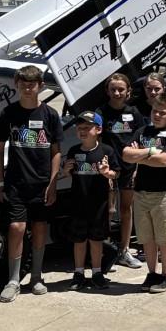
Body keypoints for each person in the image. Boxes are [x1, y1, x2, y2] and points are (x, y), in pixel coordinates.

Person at [0, 65, 62, 303]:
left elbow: (56, 152)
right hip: (16, 182)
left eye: (32, 84)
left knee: (40, 228)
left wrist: (53, 183)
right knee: (17, 228)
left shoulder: (50, 115)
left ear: (40, 86)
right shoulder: (9, 113)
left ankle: (36, 277)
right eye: (23, 84)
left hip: (42, 184)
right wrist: (0, 182)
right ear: (16, 84)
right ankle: (13, 280)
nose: (28, 88)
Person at [123, 94, 166, 293]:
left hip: (164, 193)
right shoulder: (142, 131)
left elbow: (165, 160)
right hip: (142, 192)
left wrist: (140, 154)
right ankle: (153, 272)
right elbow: (125, 155)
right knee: (146, 237)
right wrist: (151, 152)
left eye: (162, 112)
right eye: (154, 111)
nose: (157, 115)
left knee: (165, 237)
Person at [63, 110, 120, 291]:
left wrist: (107, 173)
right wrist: (65, 170)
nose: (83, 131)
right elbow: (69, 174)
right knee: (79, 240)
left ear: (99, 129)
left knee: (96, 239)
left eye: (87, 127)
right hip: (78, 202)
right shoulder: (74, 151)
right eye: (80, 128)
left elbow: (116, 173)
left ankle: (97, 272)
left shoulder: (106, 151)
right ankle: (78, 273)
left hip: (99, 204)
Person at [98, 73, 145, 271]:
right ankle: (105, 251)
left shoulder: (134, 113)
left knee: (126, 209)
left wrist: (137, 166)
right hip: (108, 168)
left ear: (128, 91)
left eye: (121, 89)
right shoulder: (101, 112)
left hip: (128, 168)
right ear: (107, 91)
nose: (117, 93)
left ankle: (125, 250)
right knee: (108, 210)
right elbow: (96, 141)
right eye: (113, 89)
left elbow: (141, 139)